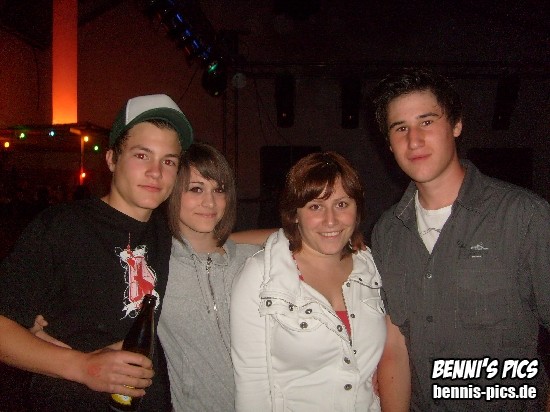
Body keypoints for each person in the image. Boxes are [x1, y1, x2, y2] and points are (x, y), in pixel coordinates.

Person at [370, 68, 550, 411]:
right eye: (400, 128)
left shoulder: (524, 217)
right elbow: (395, 345)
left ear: (456, 125)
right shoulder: (388, 232)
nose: (414, 140)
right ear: (389, 143)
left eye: (426, 122)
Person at [0, 93, 193, 411]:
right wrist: (82, 366)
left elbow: (222, 244)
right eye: (142, 155)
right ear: (112, 159)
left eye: (168, 161)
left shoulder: (166, 232)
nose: (156, 172)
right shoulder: (62, 226)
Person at [230, 151, 405, 411]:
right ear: (294, 214)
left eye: (342, 204)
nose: (331, 220)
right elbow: (251, 384)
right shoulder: (260, 277)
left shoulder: (373, 269)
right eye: (315, 206)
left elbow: (392, 354)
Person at [157, 143, 260, 411]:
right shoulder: (155, 267)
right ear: (172, 192)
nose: (210, 202)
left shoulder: (252, 262)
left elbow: (300, 241)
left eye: (219, 189)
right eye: (196, 189)